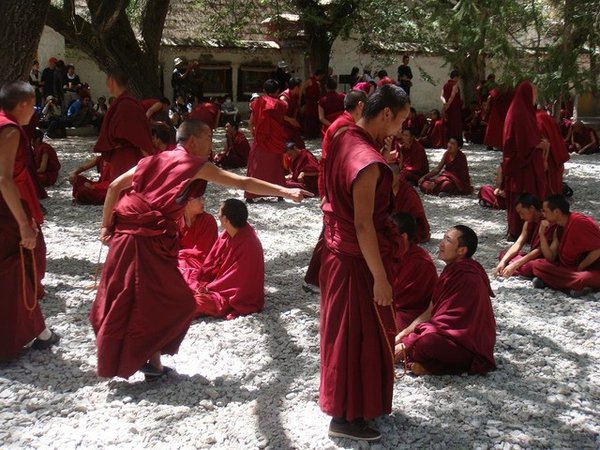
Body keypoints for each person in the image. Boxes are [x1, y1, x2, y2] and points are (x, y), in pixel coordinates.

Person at [90, 119, 311, 380]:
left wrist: (106, 228)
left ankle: (153, 365)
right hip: (146, 241)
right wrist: (284, 191)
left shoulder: (151, 160)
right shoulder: (192, 165)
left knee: (139, 299)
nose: (212, 145)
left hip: (128, 237)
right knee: (175, 301)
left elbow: (115, 187)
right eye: (208, 138)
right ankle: (142, 359)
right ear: (192, 141)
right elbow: (242, 182)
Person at [320, 84, 410, 442]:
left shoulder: (343, 134)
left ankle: (350, 406)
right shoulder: (368, 164)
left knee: (343, 333)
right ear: (386, 114)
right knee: (358, 335)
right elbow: (362, 224)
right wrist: (380, 279)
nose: (401, 129)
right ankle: (345, 417)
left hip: (336, 251)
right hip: (357, 260)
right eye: (401, 120)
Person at [0, 81, 59, 361]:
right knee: (18, 268)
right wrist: (24, 222)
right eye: (33, 105)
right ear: (23, 104)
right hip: (5, 211)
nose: (34, 111)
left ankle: (41, 331)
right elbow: (3, 179)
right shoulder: (9, 129)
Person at [395, 225, 496, 376]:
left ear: (462, 251)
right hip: (451, 336)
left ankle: (447, 367)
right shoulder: (451, 271)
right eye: (443, 238)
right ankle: (428, 364)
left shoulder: (468, 276)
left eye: (448, 240)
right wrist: (403, 335)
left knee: (425, 343)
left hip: (468, 345)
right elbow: (431, 312)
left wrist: (407, 343)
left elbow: (451, 323)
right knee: (413, 338)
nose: (441, 244)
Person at [303, 89, 367, 292]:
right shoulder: (344, 127)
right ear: (361, 106)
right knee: (332, 234)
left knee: (333, 233)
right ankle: (315, 279)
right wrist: (326, 194)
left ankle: (320, 279)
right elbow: (335, 163)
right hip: (336, 186)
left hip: (333, 185)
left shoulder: (342, 123)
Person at [192, 198, 265, 319]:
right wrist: (204, 282)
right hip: (216, 284)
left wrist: (208, 288)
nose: (218, 216)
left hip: (232, 296)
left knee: (192, 304)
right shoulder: (227, 234)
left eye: (220, 214)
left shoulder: (249, 244)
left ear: (226, 219)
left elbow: (237, 283)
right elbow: (212, 262)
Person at [502, 81, 549, 238]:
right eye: (534, 93)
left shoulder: (521, 109)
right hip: (522, 165)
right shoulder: (519, 113)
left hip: (523, 163)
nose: (535, 96)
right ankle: (522, 231)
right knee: (525, 195)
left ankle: (523, 231)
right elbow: (524, 144)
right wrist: (539, 144)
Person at [530, 194, 600, 296]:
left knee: (582, 278)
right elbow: (551, 257)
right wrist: (542, 235)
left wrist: (581, 266)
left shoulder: (579, 222)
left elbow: (598, 249)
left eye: (545, 211)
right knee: (538, 265)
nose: (543, 215)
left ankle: (556, 283)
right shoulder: (559, 228)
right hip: (571, 270)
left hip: (592, 269)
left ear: (557, 212)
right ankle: (572, 287)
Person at [93, 69, 154, 181]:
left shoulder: (126, 105)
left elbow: (138, 137)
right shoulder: (126, 103)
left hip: (126, 158)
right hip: (121, 157)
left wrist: (150, 161)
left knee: (124, 192)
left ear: (111, 81)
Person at [390, 212, 437, 330]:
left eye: (388, 235)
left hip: (411, 313)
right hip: (388, 305)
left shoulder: (420, 262)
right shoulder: (389, 252)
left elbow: (398, 298)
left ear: (403, 237)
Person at [245, 80, 288, 202]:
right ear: (278, 91)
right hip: (275, 139)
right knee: (275, 167)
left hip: (260, 139)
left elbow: (251, 122)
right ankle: (279, 194)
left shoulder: (257, 103)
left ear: (264, 91)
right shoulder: (281, 105)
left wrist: (254, 133)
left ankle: (251, 195)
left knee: (256, 167)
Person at [494, 193, 552, 278]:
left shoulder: (547, 221)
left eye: (522, 213)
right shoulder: (528, 223)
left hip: (545, 259)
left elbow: (539, 250)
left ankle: (520, 269)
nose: (521, 217)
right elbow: (518, 243)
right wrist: (503, 261)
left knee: (533, 266)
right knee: (503, 255)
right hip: (533, 258)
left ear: (532, 208)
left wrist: (515, 265)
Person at [177, 196, 218, 289]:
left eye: (203, 198)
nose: (203, 201)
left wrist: (181, 255)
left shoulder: (208, 221)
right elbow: (170, 247)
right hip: (178, 261)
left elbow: (204, 253)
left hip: (200, 264)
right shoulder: (177, 219)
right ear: (187, 202)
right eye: (199, 199)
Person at [390, 163, 430, 243]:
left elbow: (413, 218)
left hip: (408, 226)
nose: (388, 180)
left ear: (398, 176)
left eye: (391, 177)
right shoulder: (385, 189)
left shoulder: (408, 194)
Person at [535, 108, 569, 195]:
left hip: (546, 156)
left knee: (548, 183)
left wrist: (545, 160)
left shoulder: (537, 118)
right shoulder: (544, 116)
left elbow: (545, 143)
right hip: (555, 153)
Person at [483, 86, 513, 150]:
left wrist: (487, 110)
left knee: (493, 128)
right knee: (497, 128)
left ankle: (492, 144)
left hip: (497, 112)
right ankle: (497, 144)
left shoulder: (498, 91)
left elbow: (489, 100)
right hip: (502, 111)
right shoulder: (510, 91)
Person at [279, 77, 304, 148]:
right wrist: (291, 120)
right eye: (300, 86)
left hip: (291, 125)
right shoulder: (284, 98)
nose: (301, 88)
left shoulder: (295, 95)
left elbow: (296, 108)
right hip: (284, 126)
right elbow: (279, 114)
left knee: (300, 145)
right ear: (296, 87)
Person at [441, 70, 463, 145]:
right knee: (455, 125)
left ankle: (447, 141)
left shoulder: (445, 85)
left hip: (447, 106)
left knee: (448, 124)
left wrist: (444, 104)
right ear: (456, 77)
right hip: (453, 108)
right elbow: (452, 97)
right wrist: (447, 106)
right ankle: (456, 143)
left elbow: (442, 96)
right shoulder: (455, 85)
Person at [302, 69, 324, 139]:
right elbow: (303, 88)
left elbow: (320, 93)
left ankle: (315, 134)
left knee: (315, 117)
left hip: (315, 102)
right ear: (319, 75)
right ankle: (308, 134)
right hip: (310, 102)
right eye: (321, 76)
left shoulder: (318, 83)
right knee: (309, 117)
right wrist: (305, 97)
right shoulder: (310, 81)